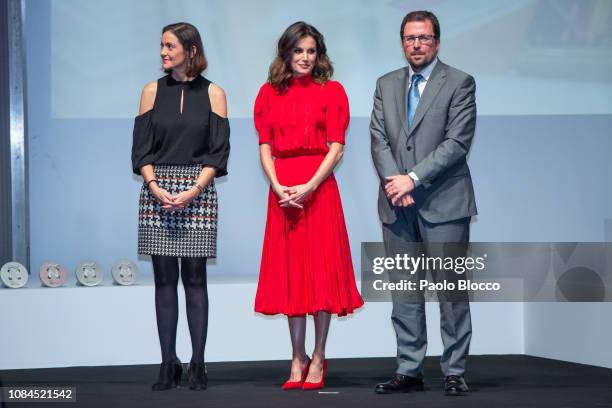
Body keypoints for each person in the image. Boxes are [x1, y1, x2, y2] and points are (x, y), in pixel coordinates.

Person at [370, 10, 477, 396]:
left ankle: (454, 371)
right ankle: (409, 370)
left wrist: (411, 178)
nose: (417, 44)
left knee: (450, 290)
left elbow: (457, 143)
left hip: (444, 203)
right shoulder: (385, 83)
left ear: (437, 41)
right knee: (404, 291)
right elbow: (378, 138)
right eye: (410, 38)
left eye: (424, 38)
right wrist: (396, 184)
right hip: (397, 206)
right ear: (402, 42)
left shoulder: (460, 82)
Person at [253, 21, 364, 391]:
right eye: (298, 50)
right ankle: (296, 355)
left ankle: (318, 355)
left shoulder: (332, 91)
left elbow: (337, 146)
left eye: (311, 51)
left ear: (320, 55)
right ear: (286, 53)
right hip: (283, 191)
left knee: (319, 274)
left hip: (318, 190)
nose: (304, 57)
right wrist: (278, 185)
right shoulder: (269, 93)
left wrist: (310, 186)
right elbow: (264, 146)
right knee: (292, 275)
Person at [131, 22, 229, 391]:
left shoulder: (215, 93)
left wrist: (192, 190)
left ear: (190, 49)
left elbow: (218, 151)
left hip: (198, 190)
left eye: (169, 45)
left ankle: (198, 364)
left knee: (195, 279)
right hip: (155, 189)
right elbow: (141, 149)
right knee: (163, 280)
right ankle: (167, 363)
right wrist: (155, 186)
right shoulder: (151, 91)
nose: (162, 52)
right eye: (160, 45)